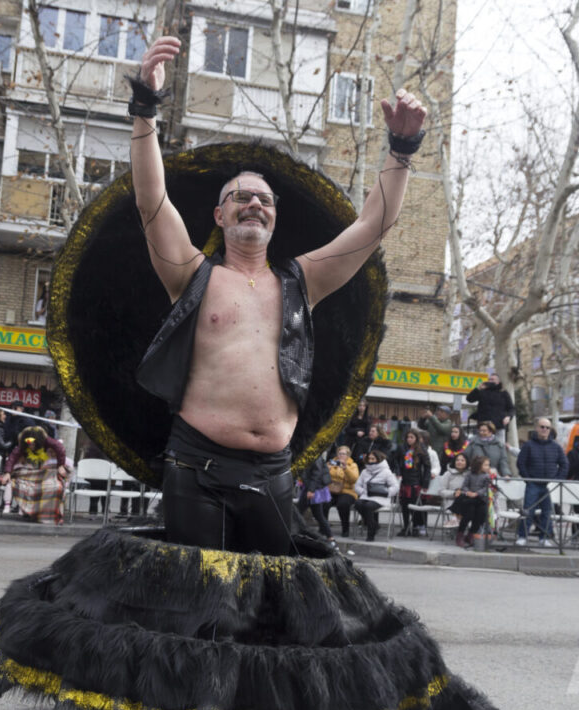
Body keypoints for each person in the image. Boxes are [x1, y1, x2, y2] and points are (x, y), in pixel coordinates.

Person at [130, 36, 425, 555]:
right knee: (200, 608)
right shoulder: (191, 274)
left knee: (269, 611)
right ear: (220, 216)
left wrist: (400, 151)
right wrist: (145, 110)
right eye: (239, 197)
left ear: (274, 216)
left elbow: (373, 226)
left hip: (273, 471)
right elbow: (152, 202)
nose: (252, 204)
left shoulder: (301, 282)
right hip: (194, 467)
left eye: (263, 199)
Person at [0, 426, 70, 523]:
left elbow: (59, 447)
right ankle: (30, 512)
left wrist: (60, 465)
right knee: (24, 485)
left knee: (56, 487)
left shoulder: (47, 441)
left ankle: (47, 515)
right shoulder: (24, 444)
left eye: (33, 444)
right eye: (28, 444)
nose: (30, 445)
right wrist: (7, 472)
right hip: (31, 472)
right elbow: (13, 456)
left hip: (46, 472)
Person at [514, 417, 567, 547]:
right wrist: (528, 479)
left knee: (547, 512)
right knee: (528, 511)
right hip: (533, 484)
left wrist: (556, 480)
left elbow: (565, 464)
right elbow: (521, 463)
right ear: (537, 428)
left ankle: (544, 537)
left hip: (549, 485)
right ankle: (522, 536)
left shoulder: (556, 447)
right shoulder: (528, 445)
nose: (544, 429)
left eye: (547, 427)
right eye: (542, 427)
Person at [352, 450, 398, 542]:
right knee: (357, 504)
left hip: (381, 498)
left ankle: (371, 533)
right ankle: (374, 524)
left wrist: (386, 493)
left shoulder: (386, 472)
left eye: (373, 458)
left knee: (368, 506)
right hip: (366, 496)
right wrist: (363, 492)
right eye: (369, 458)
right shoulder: (365, 471)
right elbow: (357, 486)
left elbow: (395, 486)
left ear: (378, 459)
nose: (371, 460)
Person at [392, 428, 431, 537]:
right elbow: (395, 461)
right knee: (404, 505)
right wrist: (398, 472)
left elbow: (427, 466)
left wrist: (425, 483)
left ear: (416, 438)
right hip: (404, 480)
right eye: (408, 437)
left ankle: (415, 527)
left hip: (416, 481)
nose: (409, 439)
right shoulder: (401, 447)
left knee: (416, 505)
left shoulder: (421, 448)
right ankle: (405, 527)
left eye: (411, 437)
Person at [454, 456, 494, 548]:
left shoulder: (487, 476)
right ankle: (460, 535)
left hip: (480, 499)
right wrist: (468, 492)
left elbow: (486, 488)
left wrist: (477, 493)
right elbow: (464, 486)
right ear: (479, 466)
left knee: (481, 513)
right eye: (486, 465)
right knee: (469, 513)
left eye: (488, 465)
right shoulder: (469, 474)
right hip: (469, 499)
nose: (488, 467)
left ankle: (471, 534)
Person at [296, 455, 334, 547]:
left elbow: (316, 474)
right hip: (310, 487)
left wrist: (311, 490)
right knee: (316, 514)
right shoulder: (311, 455)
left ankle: (330, 537)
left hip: (313, 489)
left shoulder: (315, 457)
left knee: (300, 512)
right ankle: (330, 537)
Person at [326, 445, 359, 538]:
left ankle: (345, 529)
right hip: (332, 489)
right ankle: (324, 529)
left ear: (348, 455)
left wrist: (346, 468)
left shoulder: (352, 465)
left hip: (347, 491)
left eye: (344, 454)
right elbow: (323, 478)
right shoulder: (331, 463)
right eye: (340, 453)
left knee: (343, 504)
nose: (341, 456)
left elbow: (354, 479)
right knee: (324, 501)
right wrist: (327, 470)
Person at [439, 452, 470, 545]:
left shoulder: (469, 474)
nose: (459, 462)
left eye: (462, 460)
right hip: (450, 502)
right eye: (457, 460)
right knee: (460, 497)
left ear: (466, 462)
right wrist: (453, 493)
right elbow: (441, 491)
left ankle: (457, 524)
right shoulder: (448, 474)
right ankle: (461, 532)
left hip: (466, 501)